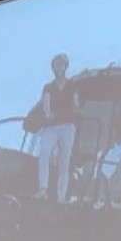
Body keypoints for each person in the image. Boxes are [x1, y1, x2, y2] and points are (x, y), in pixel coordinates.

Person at [33, 53, 80, 202]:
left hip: (67, 126)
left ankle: (61, 196)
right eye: (56, 65)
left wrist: (76, 110)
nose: (59, 68)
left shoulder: (72, 86)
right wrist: (48, 113)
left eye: (61, 65)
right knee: (44, 153)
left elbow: (76, 104)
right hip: (52, 127)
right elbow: (46, 106)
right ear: (53, 68)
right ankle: (43, 189)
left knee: (64, 161)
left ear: (66, 67)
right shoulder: (48, 87)